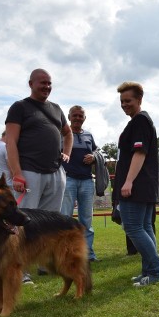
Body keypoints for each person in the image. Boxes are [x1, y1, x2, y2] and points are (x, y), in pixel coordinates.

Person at [5, 68, 72, 281]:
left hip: (55, 172)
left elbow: (68, 133)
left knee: (49, 223)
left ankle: (44, 264)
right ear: (31, 84)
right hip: (29, 172)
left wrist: (67, 153)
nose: (46, 87)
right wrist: (17, 173)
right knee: (23, 223)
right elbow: (11, 142)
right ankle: (19, 269)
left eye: (49, 83)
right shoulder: (19, 107)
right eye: (42, 83)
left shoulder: (56, 108)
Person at [115, 81, 159, 287]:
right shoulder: (140, 121)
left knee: (134, 227)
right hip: (145, 183)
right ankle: (148, 271)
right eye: (121, 101)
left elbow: (139, 152)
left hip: (137, 184)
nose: (124, 104)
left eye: (128, 100)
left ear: (139, 100)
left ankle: (156, 272)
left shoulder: (140, 122)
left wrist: (128, 181)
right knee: (144, 226)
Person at [61, 105, 98, 262]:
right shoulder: (61, 135)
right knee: (65, 219)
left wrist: (94, 157)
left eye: (80, 115)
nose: (77, 118)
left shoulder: (89, 135)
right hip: (68, 179)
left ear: (84, 118)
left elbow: (97, 151)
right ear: (68, 117)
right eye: (74, 115)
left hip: (87, 181)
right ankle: (65, 255)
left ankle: (88, 254)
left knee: (86, 220)